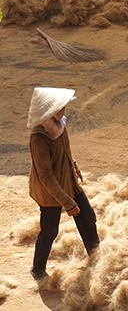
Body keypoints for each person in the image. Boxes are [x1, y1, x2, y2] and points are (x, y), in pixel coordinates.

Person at [27, 87, 100, 281]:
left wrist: (73, 165)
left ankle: (97, 257)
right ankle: (38, 269)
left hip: (68, 179)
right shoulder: (39, 139)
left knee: (88, 218)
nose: (63, 113)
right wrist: (67, 202)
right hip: (49, 191)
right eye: (59, 110)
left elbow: (65, 150)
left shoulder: (59, 125)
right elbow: (46, 175)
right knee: (50, 230)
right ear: (48, 113)